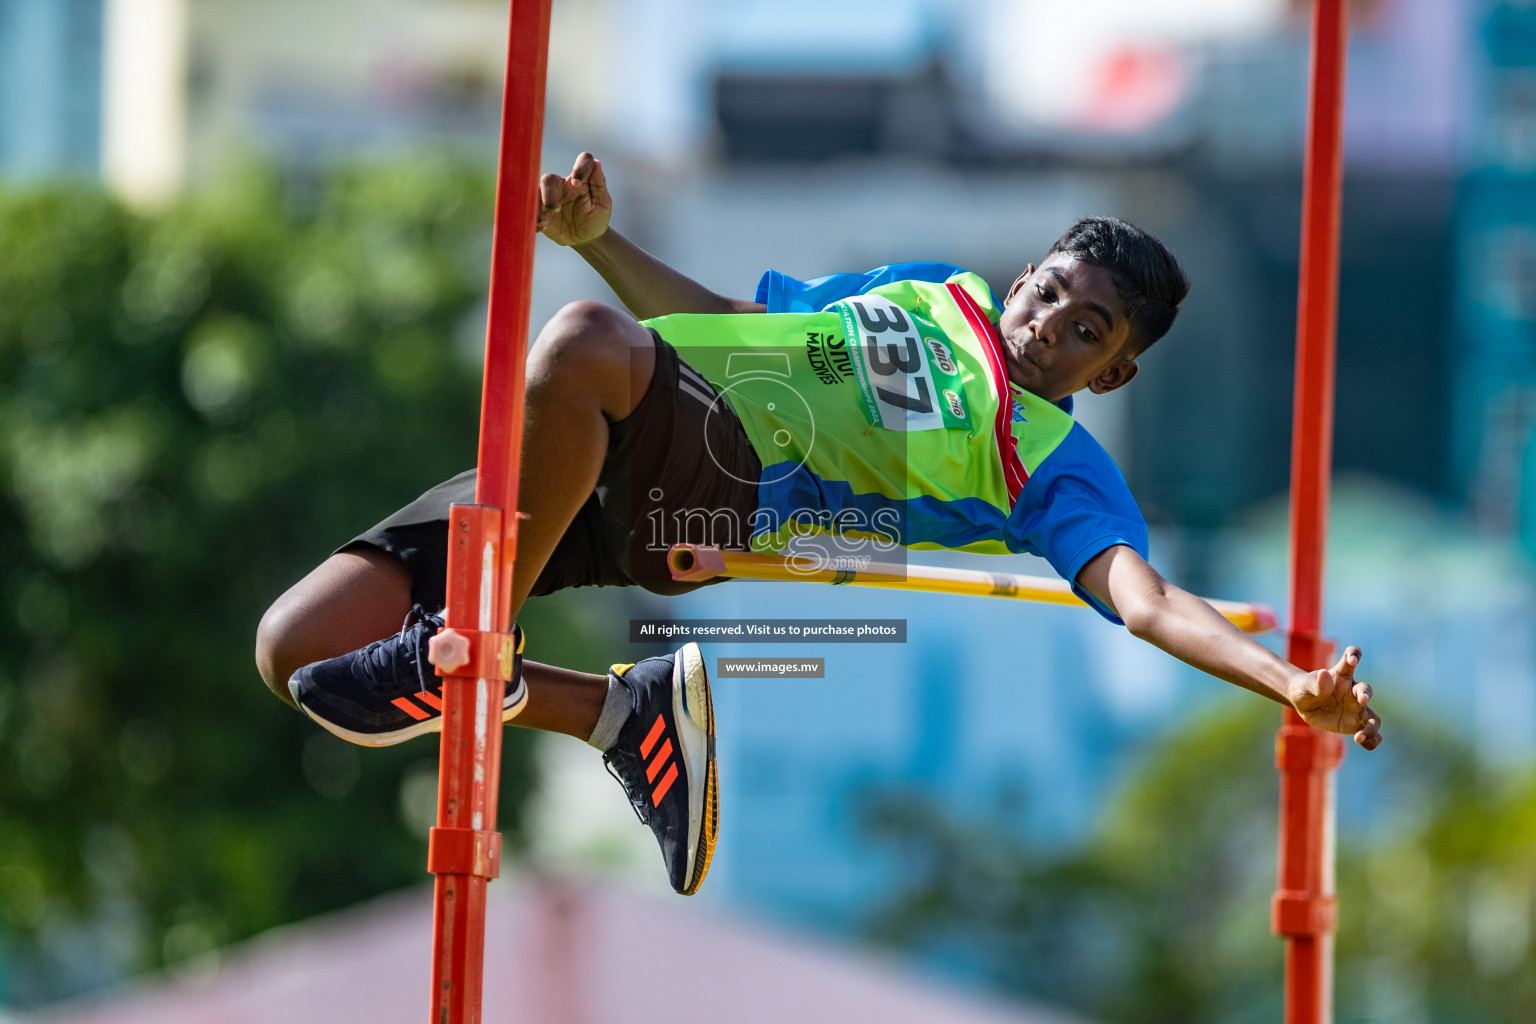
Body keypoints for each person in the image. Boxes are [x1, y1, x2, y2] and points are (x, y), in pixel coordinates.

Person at [255, 153, 1382, 898]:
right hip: (600, 445)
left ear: (1117, 369)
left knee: (584, 343)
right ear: (1023, 272)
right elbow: (739, 329)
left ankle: (468, 644)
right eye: (1048, 293)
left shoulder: (1054, 464)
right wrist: (601, 235)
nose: (1048, 329)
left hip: (710, 488)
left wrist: (1284, 683)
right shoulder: (931, 291)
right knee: (302, 646)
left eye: (1086, 331)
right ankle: (618, 709)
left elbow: (1149, 599)